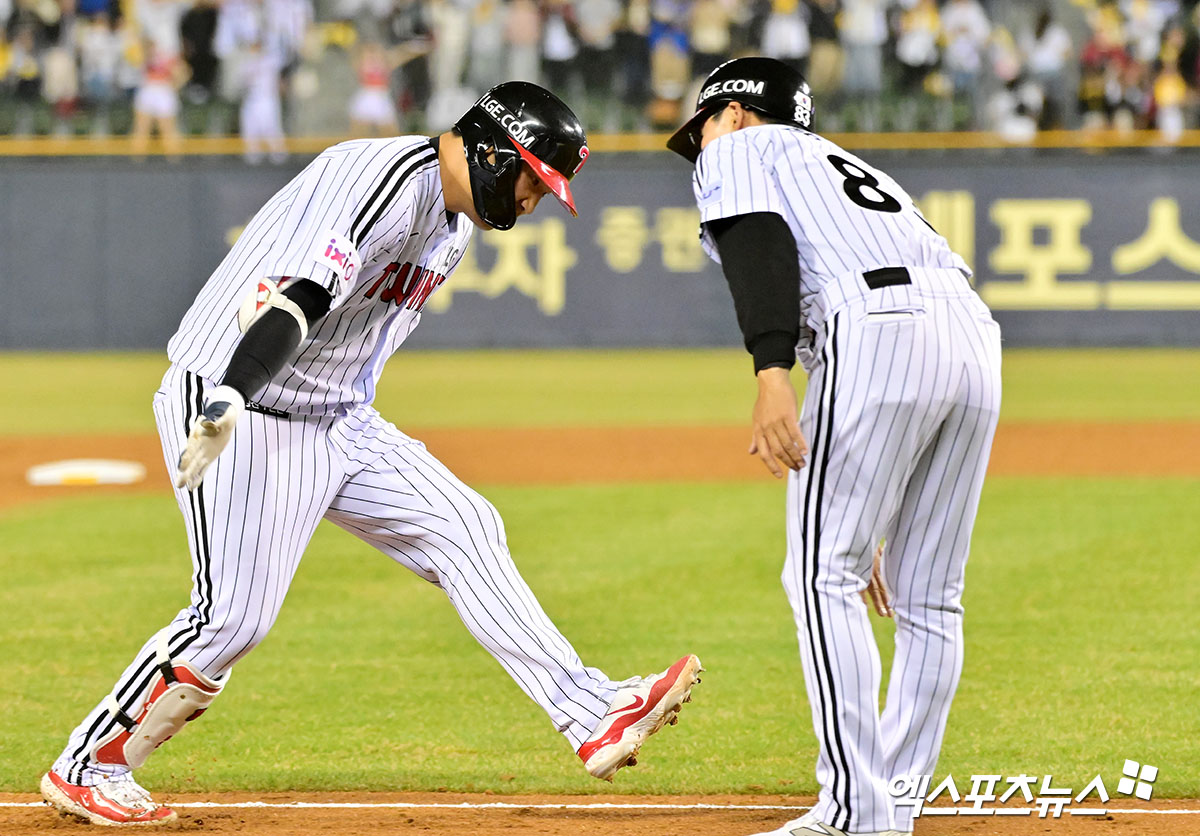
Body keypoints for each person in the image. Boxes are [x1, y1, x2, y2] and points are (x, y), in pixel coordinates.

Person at [40, 81, 703, 827]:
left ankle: (593, 715)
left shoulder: (452, 228)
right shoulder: (380, 177)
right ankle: (89, 764)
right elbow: (300, 298)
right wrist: (229, 392)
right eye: (531, 179)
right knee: (233, 619)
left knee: (464, 527)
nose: (532, 201)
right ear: (490, 151)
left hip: (338, 417)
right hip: (246, 400)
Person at [668, 57, 1001, 836]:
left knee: (823, 573)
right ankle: (895, 805)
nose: (703, 143)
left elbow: (758, 246)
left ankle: (856, 813)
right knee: (929, 597)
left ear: (740, 113)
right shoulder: (846, 165)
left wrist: (771, 370)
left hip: (876, 333)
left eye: (707, 124)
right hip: (972, 337)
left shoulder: (742, 149)